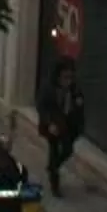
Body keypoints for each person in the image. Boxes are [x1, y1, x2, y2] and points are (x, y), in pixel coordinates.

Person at [35, 59, 85, 197]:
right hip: (53, 124)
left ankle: (52, 167)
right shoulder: (49, 87)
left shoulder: (74, 88)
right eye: (65, 77)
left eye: (70, 77)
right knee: (54, 150)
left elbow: (79, 106)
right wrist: (49, 123)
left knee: (68, 150)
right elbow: (41, 106)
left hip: (68, 125)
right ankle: (55, 183)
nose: (67, 81)